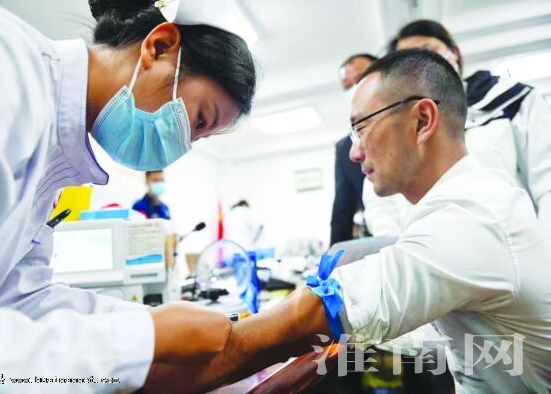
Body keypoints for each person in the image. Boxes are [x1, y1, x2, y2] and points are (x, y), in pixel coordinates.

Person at [146, 49, 551, 393]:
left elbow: (313, 315)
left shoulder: (469, 218)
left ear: (422, 120)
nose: (355, 153)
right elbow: (430, 334)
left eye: (361, 127)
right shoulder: (467, 203)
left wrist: (132, 371)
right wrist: (323, 353)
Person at [0, 0, 256, 391]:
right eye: (198, 120)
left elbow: (20, 301)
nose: (183, 146)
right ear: (159, 47)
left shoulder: (56, 159)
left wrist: (148, 322)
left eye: (198, 138)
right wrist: (145, 338)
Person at [363, 19, 551, 239]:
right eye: (408, 61)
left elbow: (546, 180)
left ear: (454, 53)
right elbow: (381, 203)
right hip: (429, 247)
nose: (422, 65)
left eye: (429, 51)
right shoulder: (395, 124)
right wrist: (399, 247)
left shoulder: (511, 100)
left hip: (511, 240)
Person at [330, 53, 377, 246]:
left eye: (360, 79)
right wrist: (334, 257)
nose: (356, 155)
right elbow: (342, 210)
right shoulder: (345, 149)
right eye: (347, 86)